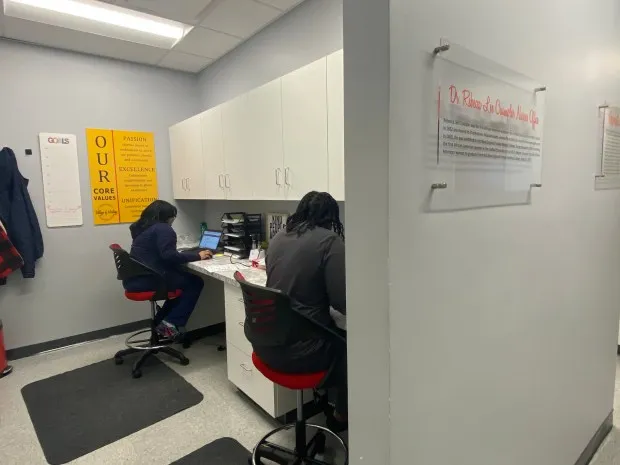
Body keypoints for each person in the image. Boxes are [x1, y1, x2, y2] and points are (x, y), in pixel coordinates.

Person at [261, 191, 348, 432]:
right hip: (301, 351)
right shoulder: (330, 241)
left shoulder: (279, 236)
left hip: (266, 343)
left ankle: (321, 398)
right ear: (331, 216)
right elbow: (344, 304)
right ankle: (342, 415)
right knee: (353, 346)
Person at [126, 200, 211, 340]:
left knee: (181, 284)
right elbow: (168, 255)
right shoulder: (163, 228)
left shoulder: (142, 228)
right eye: (173, 217)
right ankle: (171, 324)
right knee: (194, 282)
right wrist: (198, 255)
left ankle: (160, 322)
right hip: (150, 280)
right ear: (168, 217)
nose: (173, 220)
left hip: (136, 279)